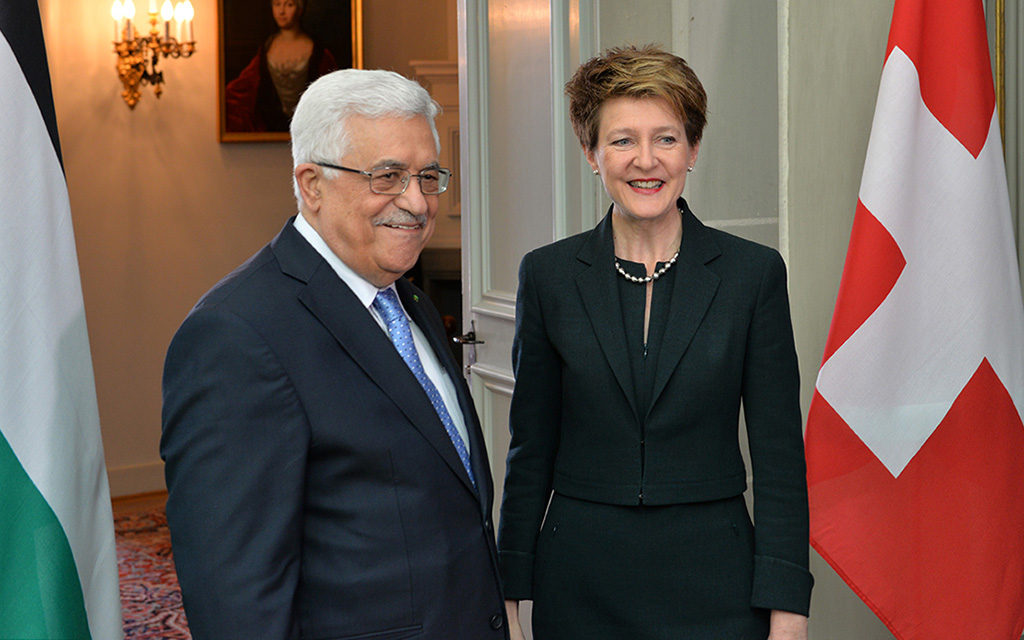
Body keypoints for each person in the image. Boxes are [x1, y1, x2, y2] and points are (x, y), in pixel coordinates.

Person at [162, 68, 509, 640]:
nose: (418, 202)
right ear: (311, 183)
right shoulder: (236, 336)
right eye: (388, 176)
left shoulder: (408, 302)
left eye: (427, 175)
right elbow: (236, 600)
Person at [497, 45, 813, 640]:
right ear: (592, 154)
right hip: (580, 585)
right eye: (622, 141)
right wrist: (510, 598)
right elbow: (529, 449)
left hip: (717, 586)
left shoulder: (752, 274)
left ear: (693, 149)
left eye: (666, 139)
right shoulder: (548, 276)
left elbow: (779, 460)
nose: (646, 161)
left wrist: (787, 608)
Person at [223, 0, 338, 132]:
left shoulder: (316, 50)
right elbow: (245, 85)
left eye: (289, 5)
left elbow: (331, 93)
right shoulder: (268, 47)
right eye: (277, 4)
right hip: (271, 125)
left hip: (309, 127)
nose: (281, 12)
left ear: (300, 9)